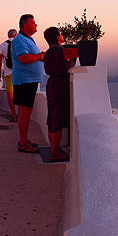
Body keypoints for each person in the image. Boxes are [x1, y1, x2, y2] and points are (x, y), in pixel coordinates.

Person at [9, 14, 45, 154]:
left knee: (26, 111)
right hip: (24, 81)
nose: (36, 25)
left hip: (28, 80)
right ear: (25, 25)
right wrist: (40, 56)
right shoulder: (19, 40)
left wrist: (38, 56)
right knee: (25, 111)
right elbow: (23, 58)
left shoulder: (26, 39)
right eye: (33, 23)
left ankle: (24, 140)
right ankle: (23, 143)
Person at [40, 27, 75, 162]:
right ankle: (54, 153)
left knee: (52, 117)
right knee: (58, 119)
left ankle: (52, 149)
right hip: (61, 86)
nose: (62, 35)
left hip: (51, 85)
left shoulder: (47, 53)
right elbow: (81, 52)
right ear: (57, 37)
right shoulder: (64, 51)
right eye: (60, 34)